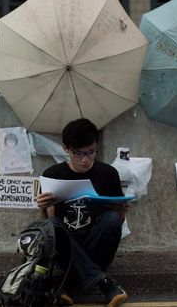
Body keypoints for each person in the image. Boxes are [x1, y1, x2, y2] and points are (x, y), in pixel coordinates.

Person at [36, 118, 129, 307]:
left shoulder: (108, 173)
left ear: (97, 147)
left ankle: (68, 283)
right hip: (67, 247)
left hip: (98, 246)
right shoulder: (52, 174)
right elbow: (49, 225)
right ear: (66, 149)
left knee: (110, 218)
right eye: (78, 153)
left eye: (91, 152)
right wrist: (44, 208)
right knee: (53, 226)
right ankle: (104, 283)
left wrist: (121, 211)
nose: (85, 160)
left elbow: (116, 224)